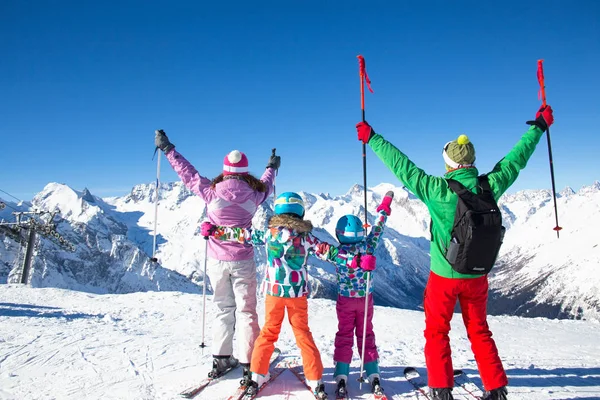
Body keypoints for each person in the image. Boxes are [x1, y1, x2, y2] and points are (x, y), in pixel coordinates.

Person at [355, 105, 554, 400]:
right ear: (472, 161)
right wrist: (538, 127)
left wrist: (372, 137)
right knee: (479, 330)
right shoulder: (490, 185)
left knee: (437, 331)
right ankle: (496, 388)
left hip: (444, 277)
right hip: (478, 275)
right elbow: (516, 159)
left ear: (448, 164)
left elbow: (402, 166)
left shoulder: (437, 189)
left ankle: (440, 388)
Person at [154, 129, 280, 382]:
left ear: (224, 169)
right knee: (246, 311)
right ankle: (249, 362)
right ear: (245, 171)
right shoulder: (255, 196)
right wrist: (272, 166)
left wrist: (168, 149)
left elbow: (187, 173)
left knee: (223, 308)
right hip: (242, 259)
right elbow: (267, 184)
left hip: (216, 260)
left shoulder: (209, 192)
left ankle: (221, 359)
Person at [245, 191, 330, 399]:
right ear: (300, 212)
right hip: (296, 293)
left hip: (273, 293)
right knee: (302, 334)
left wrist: (215, 231)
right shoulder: (307, 237)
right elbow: (327, 251)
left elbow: (243, 236)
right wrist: (354, 261)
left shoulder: (269, 233)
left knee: (268, 332)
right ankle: (314, 378)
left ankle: (257, 374)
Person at [319, 191, 394, 397]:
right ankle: (373, 374)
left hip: (345, 301)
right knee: (366, 335)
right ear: (361, 232)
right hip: (366, 300)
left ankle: (341, 375)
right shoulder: (369, 246)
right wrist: (384, 208)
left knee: (344, 335)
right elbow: (378, 229)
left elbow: (319, 250)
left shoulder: (337, 253)